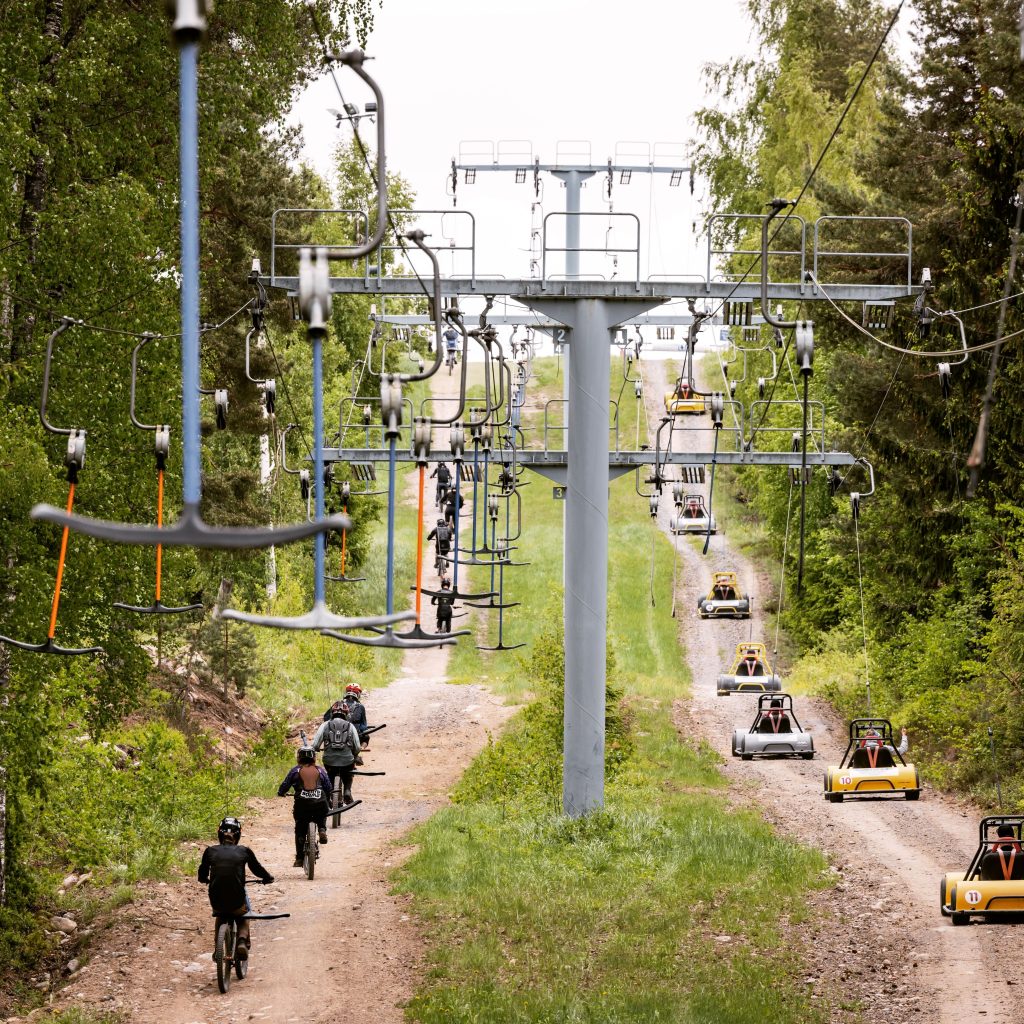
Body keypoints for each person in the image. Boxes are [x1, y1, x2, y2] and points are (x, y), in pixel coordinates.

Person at [197, 816, 273, 959]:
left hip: (216, 899)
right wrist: (267, 878)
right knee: (245, 913)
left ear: (219, 834)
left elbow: (202, 872)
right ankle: (242, 941)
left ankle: (216, 950)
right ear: (238, 835)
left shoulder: (210, 851)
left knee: (220, 914)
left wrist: (203, 879)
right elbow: (257, 869)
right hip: (236, 898)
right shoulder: (244, 851)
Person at [277, 747, 331, 867]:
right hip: (320, 802)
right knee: (322, 813)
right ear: (314, 758)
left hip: (302, 805)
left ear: (299, 758)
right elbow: (328, 787)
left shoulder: (295, 771)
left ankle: (299, 859)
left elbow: (285, 785)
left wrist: (281, 793)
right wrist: (328, 799)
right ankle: (322, 829)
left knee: (300, 827)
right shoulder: (320, 770)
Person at [311, 703, 363, 810]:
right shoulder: (351, 726)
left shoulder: (325, 725)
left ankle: (330, 792)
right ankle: (347, 791)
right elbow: (357, 746)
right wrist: (354, 754)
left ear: (332, 713)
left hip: (329, 760)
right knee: (348, 773)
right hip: (347, 761)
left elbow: (315, 744)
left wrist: (317, 749)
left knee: (330, 774)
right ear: (346, 714)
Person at [344, 683, 370, 748]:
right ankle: (361, 748)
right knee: (366, 737)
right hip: (355, 735)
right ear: (358, 694)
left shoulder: (337, 704)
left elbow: (326, 718)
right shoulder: (360, 707)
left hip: (336, 734)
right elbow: (363, 726)